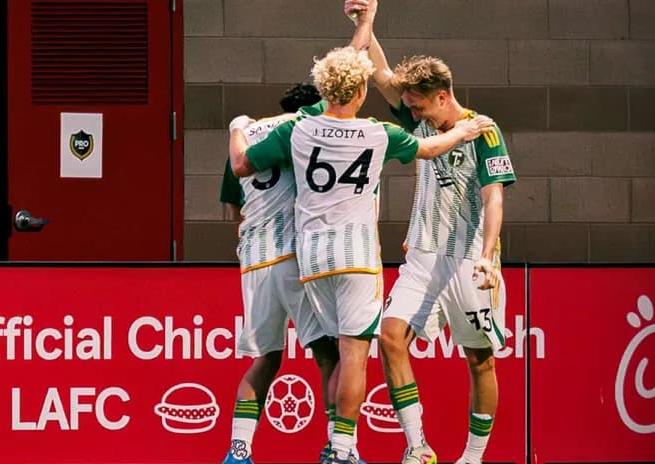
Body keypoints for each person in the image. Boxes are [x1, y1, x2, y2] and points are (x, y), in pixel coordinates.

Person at [229, 5, 494, 463]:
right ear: (359, 89)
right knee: (353, 353)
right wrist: (467, 129)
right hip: (354, 256)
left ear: (324, 87)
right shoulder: (378, 132)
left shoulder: (298, 127)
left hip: (309, 258)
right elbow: (430, 148)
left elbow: (242, 166)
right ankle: (342, 448)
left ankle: (255, 448)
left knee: (316, 353)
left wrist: (237, 129)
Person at [343, 1, 517, 463]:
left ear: (442, 95)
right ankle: (418, 448)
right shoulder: (420, 119)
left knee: (479, 360)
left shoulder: (483, 129)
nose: (411, 111)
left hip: (468, 262)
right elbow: (382, 77)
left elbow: (494, 196)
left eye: (416, 103)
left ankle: (473, 457)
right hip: (421, 255)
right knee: (390, 337)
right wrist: (368, 24)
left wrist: (486, 254)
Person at [218, 83, 342, 464]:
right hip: (293, 256)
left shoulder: (246, 134)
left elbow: (230, 211)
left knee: (266, 358)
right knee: (330, 356)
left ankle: (238, 452)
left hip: (253, 260)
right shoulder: (304, 129)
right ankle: (338, 448)